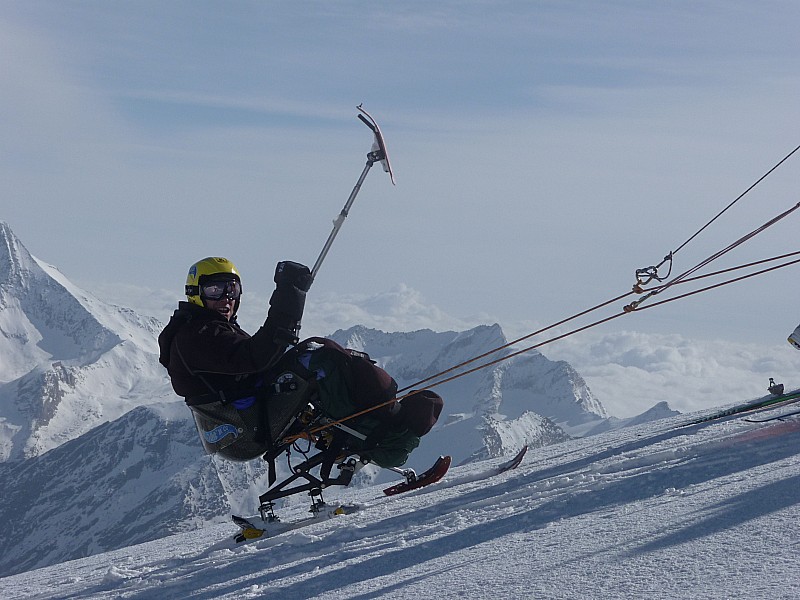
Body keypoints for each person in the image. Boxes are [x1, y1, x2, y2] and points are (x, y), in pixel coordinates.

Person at [158, 257, 313, 401]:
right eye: (214, 290)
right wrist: (289, 294)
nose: (226, 298)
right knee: (323, 358)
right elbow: (255, 356)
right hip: (255, 418)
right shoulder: (197, 336)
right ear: (195, 293)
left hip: (259, 411)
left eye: (232, 289)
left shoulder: (209, 329)